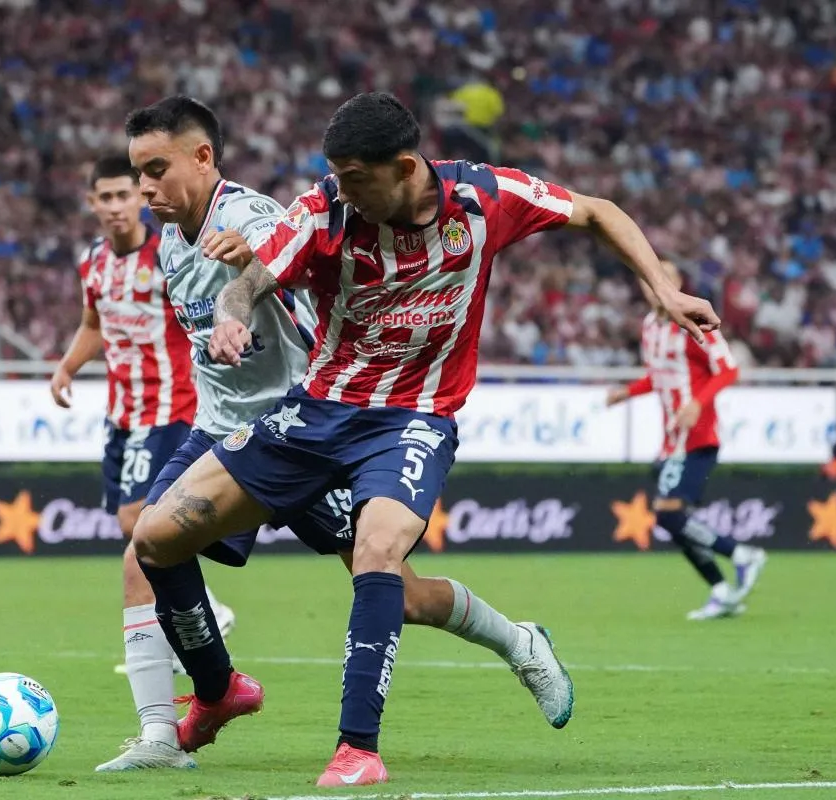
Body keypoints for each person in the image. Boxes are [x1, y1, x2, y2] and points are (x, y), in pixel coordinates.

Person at [130, 92, 721, 787]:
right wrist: (233, 312)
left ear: (406, 167)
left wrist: (663, 291)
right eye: (336, 177)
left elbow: (597, 211)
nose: (341, 191)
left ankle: (358, 750)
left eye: (355, 178)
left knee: (379, 555)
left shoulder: (484, 198)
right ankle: (219, 689)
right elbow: (256, 277)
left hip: (413, 418)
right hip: (316, 412)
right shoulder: (324, 210)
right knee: (154, 539)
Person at [48, 154, 234, 773]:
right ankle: (200, 614)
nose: (114, 206)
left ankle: (203, 615)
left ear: (139, 198)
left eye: (123, 195)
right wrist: (68, 366)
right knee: (134, 530)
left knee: (139, 523)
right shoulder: (93, 262)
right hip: (122, 417)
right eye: (102, 197)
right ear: (92, 203)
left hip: (175, 411)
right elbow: (92, 324)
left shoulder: (168, 254)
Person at [607, 259, 767, 620]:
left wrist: (697, 403)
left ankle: (741, 554)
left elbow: (728, 370)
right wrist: (626, 393)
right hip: (671, 440)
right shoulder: (650, 326)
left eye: (665, 278)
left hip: (698, 437)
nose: (655, 286)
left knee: (668, 514)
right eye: (649, 279)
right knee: (673, 520)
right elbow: (658, 377)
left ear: (677, 284)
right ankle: (722, 589)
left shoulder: (694, 321)